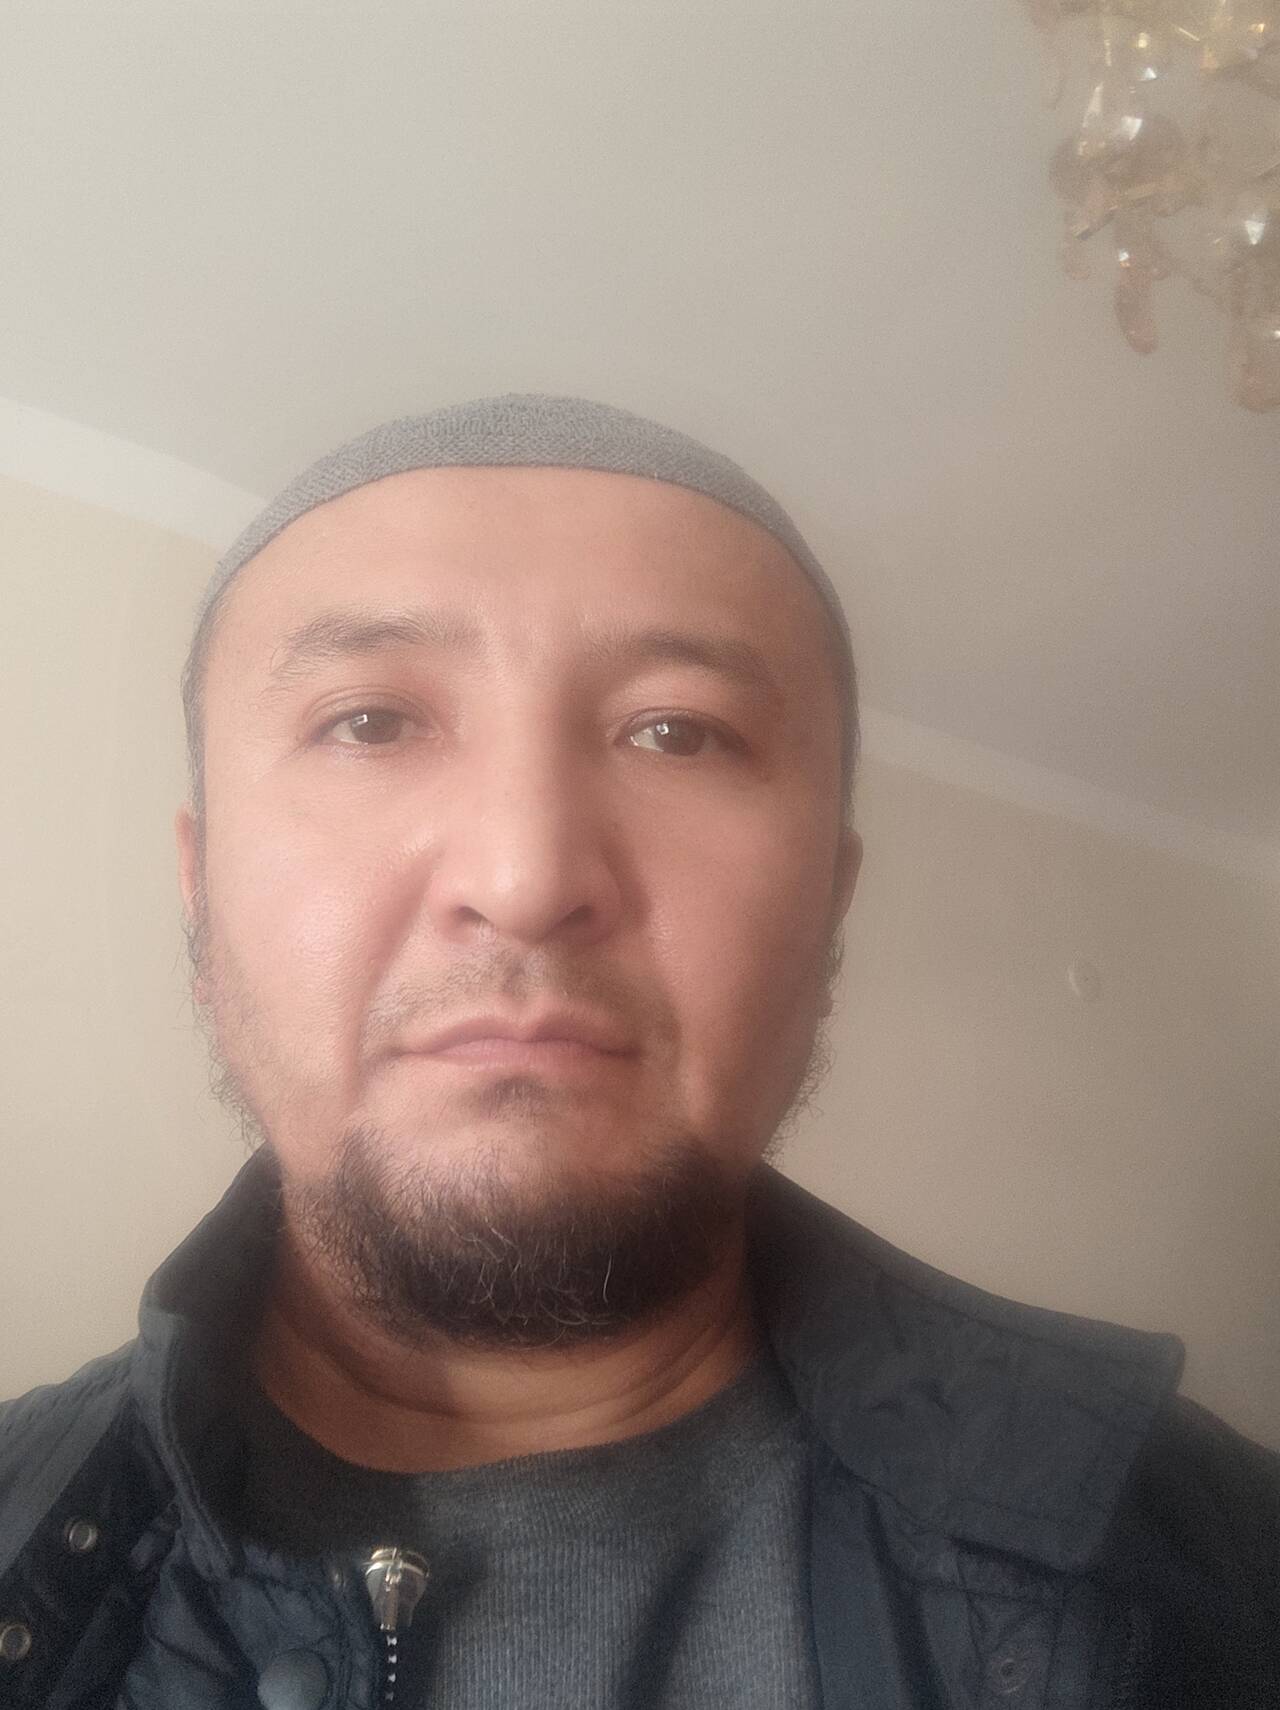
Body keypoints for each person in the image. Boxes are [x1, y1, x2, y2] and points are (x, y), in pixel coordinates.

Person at [0, 394, 1275, 1710]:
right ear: (201, 889)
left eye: (679, 731)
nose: (526, 877)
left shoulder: (1220, 1567)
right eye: (369, 721)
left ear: (828, 909)